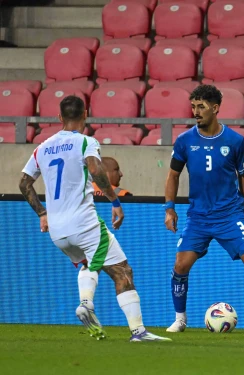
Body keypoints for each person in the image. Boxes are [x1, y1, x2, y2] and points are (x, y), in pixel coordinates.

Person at [19, 96, 170, 343]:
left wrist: (42, 213)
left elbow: (24, 183)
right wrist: (115, 201)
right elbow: (97, 169)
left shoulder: (42, 148)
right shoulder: (86, 142)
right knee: (123, 270)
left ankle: (93, 308)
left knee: (92, 262)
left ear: (59, 118)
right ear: (85, 114)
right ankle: (118, 322)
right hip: (84, 222)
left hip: (58, 231)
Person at [164, 85, 244, 334]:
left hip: (230, 215)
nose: (196, 112)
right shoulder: (184, 141)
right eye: (193, 107)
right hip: (198, 216)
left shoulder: (234, 141)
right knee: (180, 266)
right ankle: (180, 320)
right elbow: (173, 175)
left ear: (216, 108)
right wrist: (169, 208)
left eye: (201, 107)